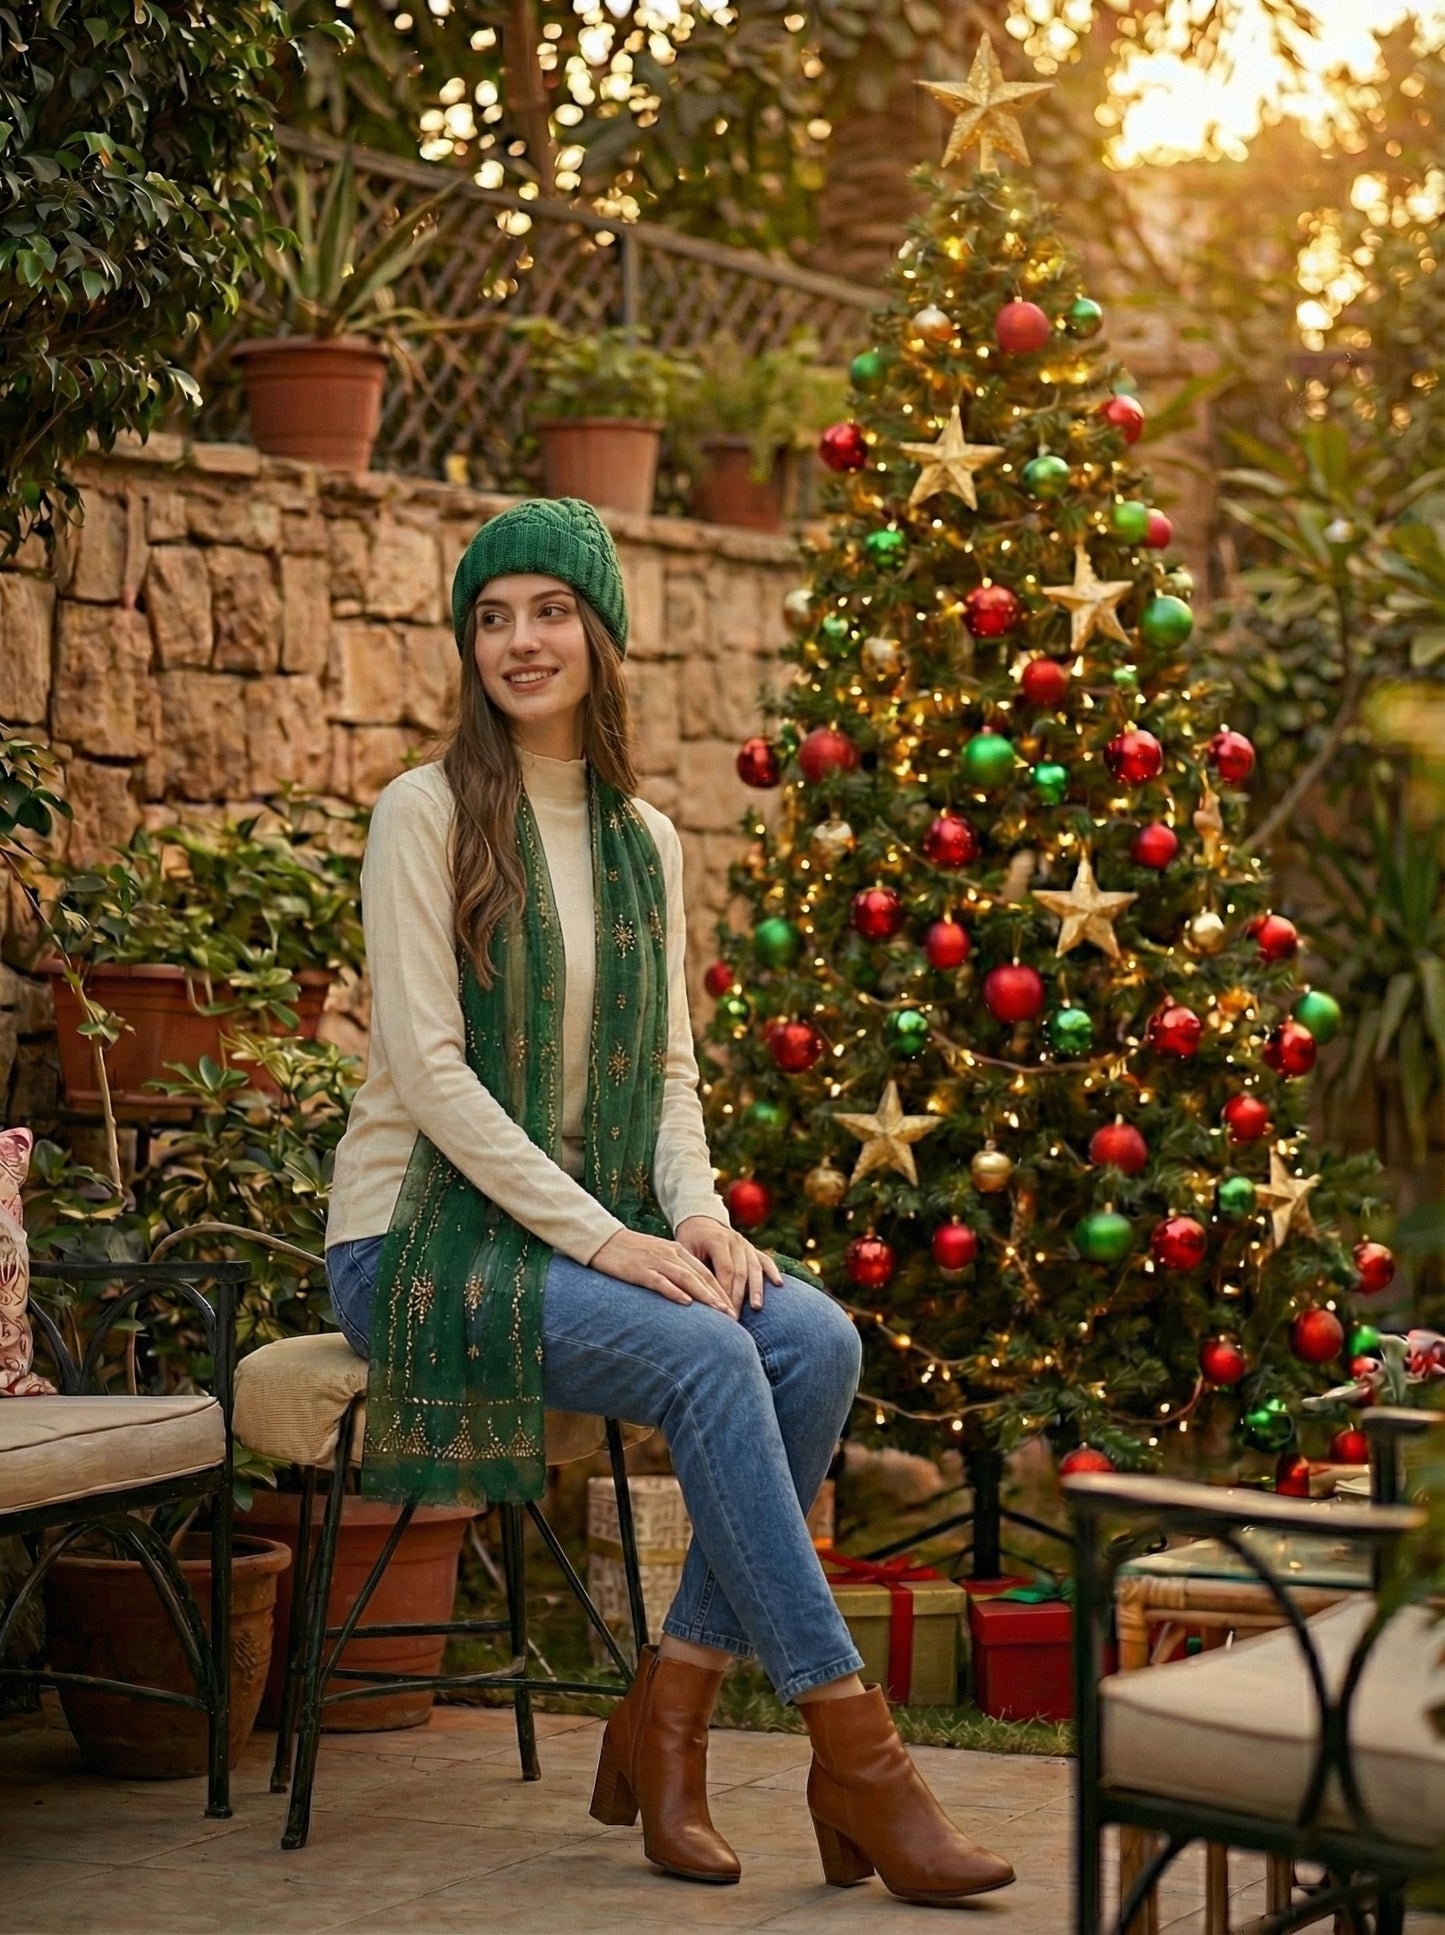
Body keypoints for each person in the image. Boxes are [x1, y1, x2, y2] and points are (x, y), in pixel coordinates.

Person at [323, 497, 1015, 1907]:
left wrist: (695, 1215)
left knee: (811, 1338)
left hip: (587, 1229)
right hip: (415, 1237)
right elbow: (431, 1077)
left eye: (548, 610)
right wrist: (614, 1240)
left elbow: (670, 1076)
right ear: (470, 645)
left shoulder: (644, 837)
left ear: (601, 634)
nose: (521, 640)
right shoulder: (426, 813)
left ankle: (668, 1711)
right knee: (707, 1352)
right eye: (492, 616)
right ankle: (857, 1756)